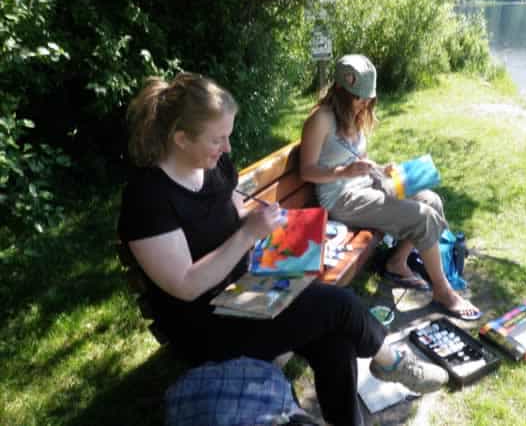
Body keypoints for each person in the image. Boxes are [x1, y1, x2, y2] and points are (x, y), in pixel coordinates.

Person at [118, 72, 449, 426]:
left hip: (245, 292)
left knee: (336, 340)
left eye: (227, 137)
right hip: (207, 326)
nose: (227, 149)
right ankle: (391, 363)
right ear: (181, 138)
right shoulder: (148, 199)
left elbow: (236, 212)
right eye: (218, 140)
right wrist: (247, 236)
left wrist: (274, 225)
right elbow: (186, 284)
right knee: (339, 306)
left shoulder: (211, 166)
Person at [299, 54, 481, 321]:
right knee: (423, 217)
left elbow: (350, 157)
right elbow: (307, 170)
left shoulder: (353, 114)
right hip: (341, 199)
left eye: (367, 98)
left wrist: (379, 168)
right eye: (358, 97)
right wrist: (345, 172)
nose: (364, 104)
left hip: (365, 185)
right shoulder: (321, 119)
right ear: (340, 90)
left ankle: (396, 263)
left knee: (431, 201)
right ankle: (443, 291)